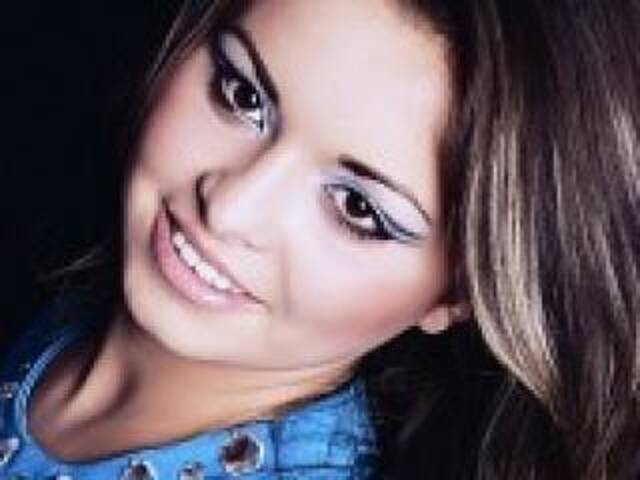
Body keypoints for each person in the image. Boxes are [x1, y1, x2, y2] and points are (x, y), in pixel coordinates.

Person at [1, 1, 638, 480]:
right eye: (242, 95)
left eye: (358, 208)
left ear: (461, 293)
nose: (230, 209)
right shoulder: (83, 296)